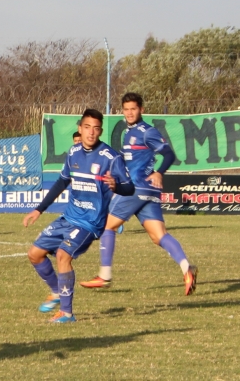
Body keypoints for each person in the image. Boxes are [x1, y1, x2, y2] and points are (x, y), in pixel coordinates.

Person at [22, 108, 134, 323]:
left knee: (64, 256)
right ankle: (56, 291)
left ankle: (67, 313)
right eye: (87, 127)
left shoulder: (110, 157)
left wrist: (116, 186)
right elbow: (62, 182)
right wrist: (39, 209)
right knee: (34, 254)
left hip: (90, 223)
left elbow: (129, 188)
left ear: (100, 131)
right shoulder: (73, 153)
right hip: (69, 217)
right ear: (80, 129)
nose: (91, 132)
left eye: (96, 128)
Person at [80, 92, 197, 294]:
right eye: (126, 109)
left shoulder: (146, 132)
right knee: (158, 235)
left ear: (141, 110)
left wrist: (159, 172)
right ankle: (187, 268)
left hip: (137, 188)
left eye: (133, 109)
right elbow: (135, 161)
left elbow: (169, 154)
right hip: (148, 191)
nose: (129, 113)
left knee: (108, 226)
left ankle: (105, 275)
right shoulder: (128, 132)